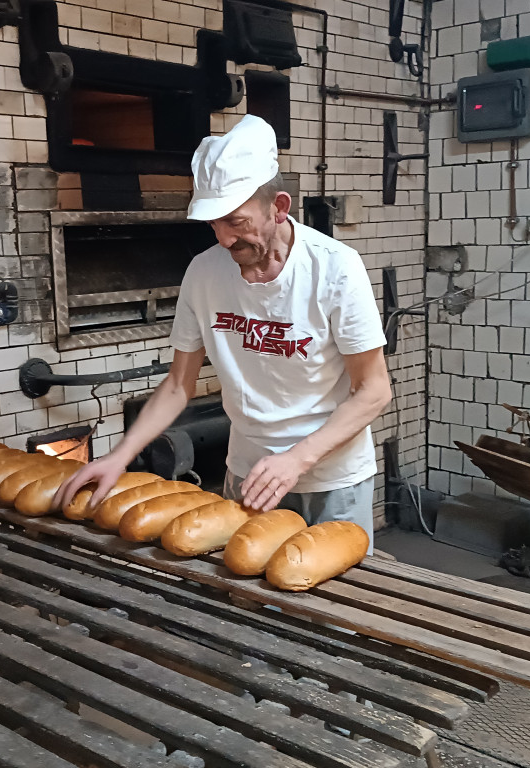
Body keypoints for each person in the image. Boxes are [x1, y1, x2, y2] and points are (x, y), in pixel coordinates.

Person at [55, 115, 393, 549]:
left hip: (332, 479)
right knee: (246, 604)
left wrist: (296, 460)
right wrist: (118, 457)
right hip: (248, 475)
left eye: (236, 222)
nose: (224, 238)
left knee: (330, 610)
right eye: (213, 223)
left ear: (280, 207)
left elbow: (374, 391)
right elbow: (179, 385)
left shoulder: (334, 269)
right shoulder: (204, 272)